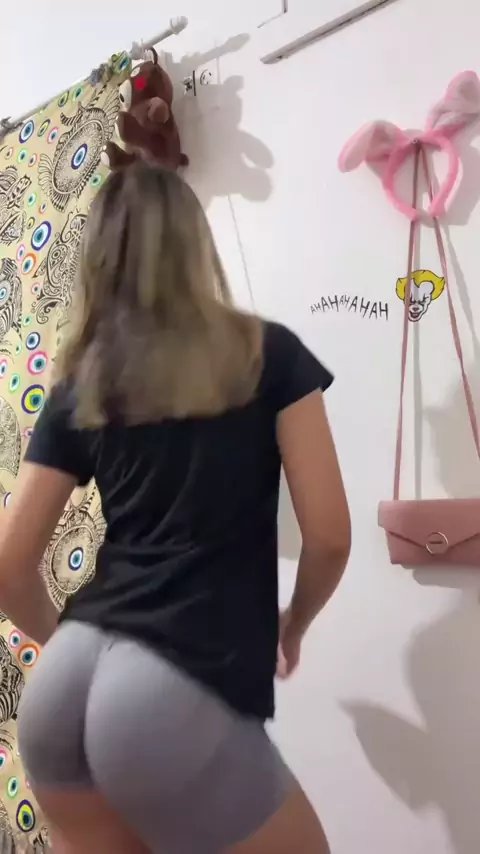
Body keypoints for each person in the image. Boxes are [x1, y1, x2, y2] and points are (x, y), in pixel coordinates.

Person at [0, 161, 350, 854]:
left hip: (60, 688)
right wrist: (295, 622)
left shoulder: (83, 383)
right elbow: (330, 537)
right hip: (167, 690)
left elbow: (9, 565)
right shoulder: (267, 354)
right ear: (196, 244)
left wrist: (67, 644)